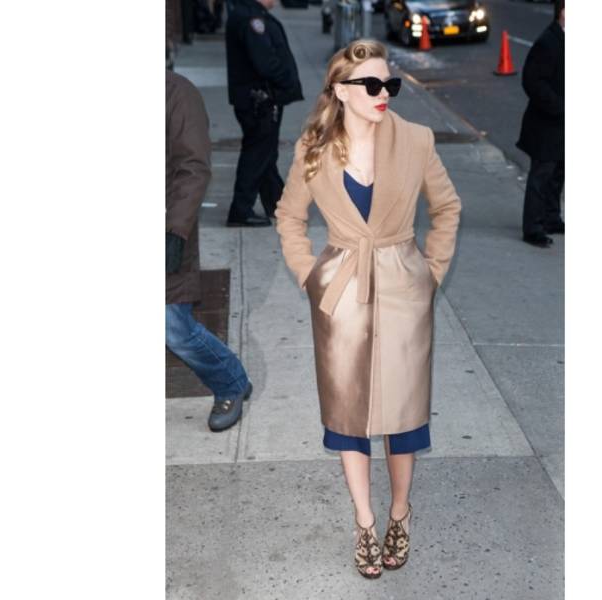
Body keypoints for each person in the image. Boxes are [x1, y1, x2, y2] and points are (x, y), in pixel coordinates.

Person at [274, 40, 462, 579]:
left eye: (390, 85)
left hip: (404, 289)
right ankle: (364, 521)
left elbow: (447, 208)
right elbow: (289, 217)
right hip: (341, 297)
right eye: (372, 85)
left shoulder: (416, 140)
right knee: (348, 416)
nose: (384, 94)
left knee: (404, 417)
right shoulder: (314, 147)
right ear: (340, 91)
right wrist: (310, 276)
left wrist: (430, 273)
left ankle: (400, 512)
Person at [166, 70, 253, 432]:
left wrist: (174, 232)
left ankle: (230, 381)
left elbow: (194, 167)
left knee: (173, 327)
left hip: (166, 227)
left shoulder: (176, 93)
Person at [224, 0, 304, 227]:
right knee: (257, 154)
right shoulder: (252, 19)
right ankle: (241, 210)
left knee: (265, 154)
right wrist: (287, 81)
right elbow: (266, 62)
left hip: (258, 98)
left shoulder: (249, 14)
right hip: (259, 100)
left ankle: (277, 204)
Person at [516, 0, 564, 248]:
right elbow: (532, 81)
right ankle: (533, 229)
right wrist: (558, 106)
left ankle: (552, 218)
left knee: (558, 173)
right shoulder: (548, 41)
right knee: (541, 176)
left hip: (560, 123)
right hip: (546, 123)